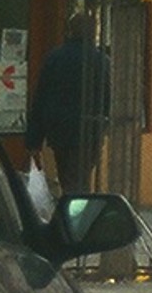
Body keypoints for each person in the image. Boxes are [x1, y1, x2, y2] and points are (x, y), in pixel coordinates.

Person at [27, 14, 110, 197]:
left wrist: (34, 141)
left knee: (67, 177)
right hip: (89, 130)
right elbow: (108, 100)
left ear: (70, 31)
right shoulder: (101, 61)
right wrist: (104, 127)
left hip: (59, 130)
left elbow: (40, 98)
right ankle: (76, 215)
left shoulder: (54, 58)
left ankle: (70, 207)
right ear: (93, 32)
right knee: (80, 179)